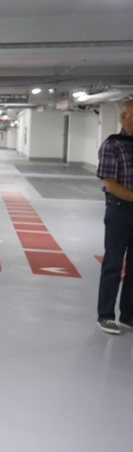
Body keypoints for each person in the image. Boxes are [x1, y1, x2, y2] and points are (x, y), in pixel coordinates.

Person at [94, 98, 133, 335]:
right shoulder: (112, 145)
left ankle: (129, 315)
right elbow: (111, 185)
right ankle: (106, 315)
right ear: (124, 117)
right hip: (119, 211)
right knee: (113, 264)